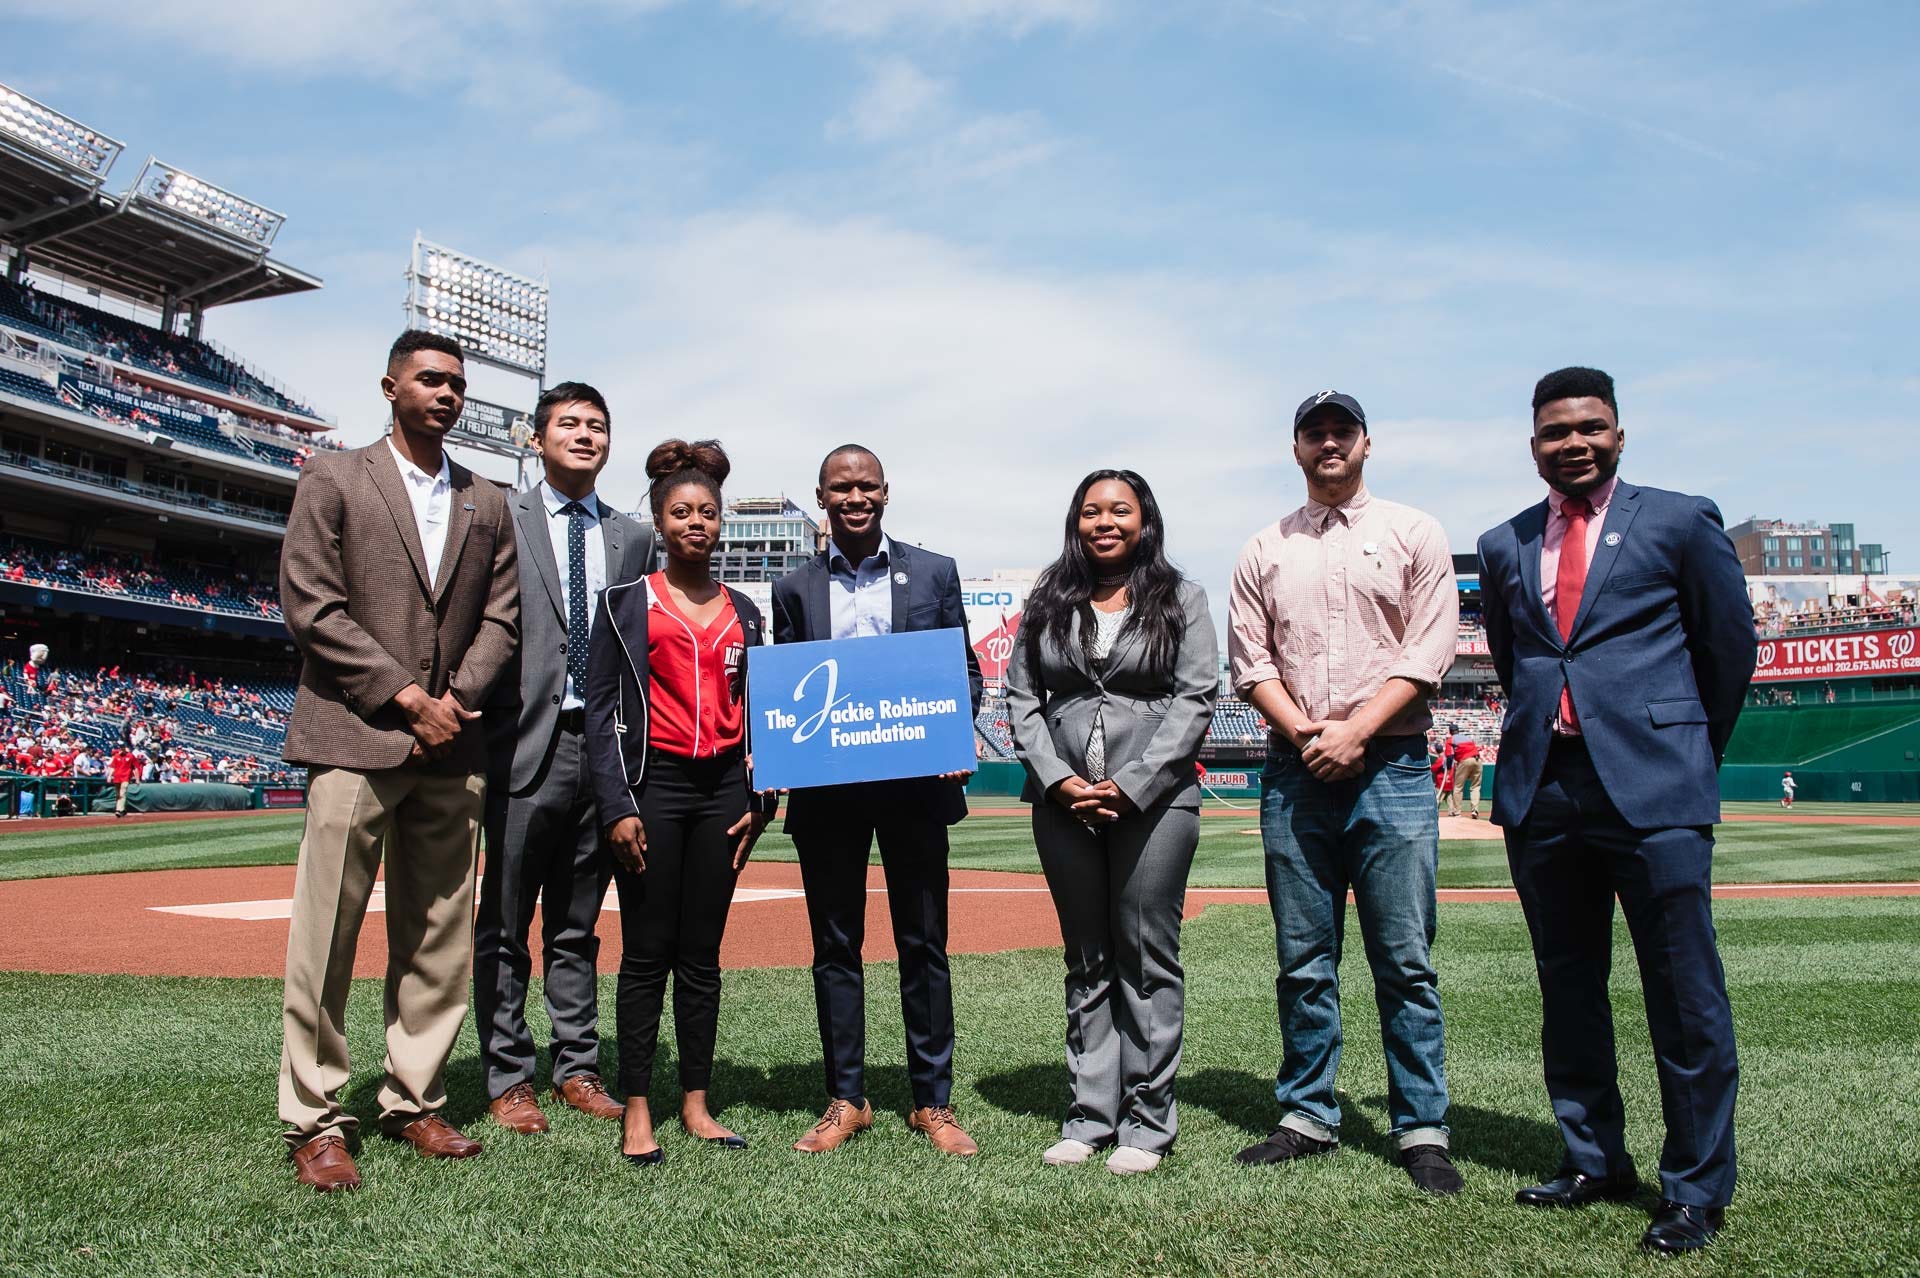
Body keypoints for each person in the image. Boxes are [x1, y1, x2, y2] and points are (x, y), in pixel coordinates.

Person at [1478, 366, 1754, 1255]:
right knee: (1568, 987)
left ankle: (1695, 1190)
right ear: (1533, 447)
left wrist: (1682, 751)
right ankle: (1595, 1160)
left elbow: (1728, 650)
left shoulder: (1679, 521)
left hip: (1655, 789)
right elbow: (1521, 655)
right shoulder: (1502, 542)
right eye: (1557, 431)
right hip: (1544, 788)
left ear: (1620, 435)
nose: (1575, 443)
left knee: (1683, 994)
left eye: (1590, 427)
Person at [275, 330, 519, 1193]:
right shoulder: (335, 477)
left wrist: (453, 703)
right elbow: (311, 603)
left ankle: (414, 1099)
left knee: (439, 937)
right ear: (390, 386)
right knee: (326, 937)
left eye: (457, 382)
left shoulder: (487, 500)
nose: (446, 393)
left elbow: (502, 619)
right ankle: (314, 1117)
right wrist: (405, 697)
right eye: (430, 379)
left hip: (453, 747)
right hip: (354, 736)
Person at [1226, 390, 1463, 1195]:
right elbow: (1250, 664)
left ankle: (1421, 1127)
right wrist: (1308, 735)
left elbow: (1429, 650)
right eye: (1313, 433)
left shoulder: (1415, 530)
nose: (1328, 443)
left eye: (1341, 431)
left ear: (1366, 442)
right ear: (1296, 448)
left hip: (1391, 763)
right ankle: (1307, 1115)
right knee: (1303, 960)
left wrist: (1357, 730)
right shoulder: (1265, 546)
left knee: (1404, 959)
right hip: (1296, 767)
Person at [770, 444, 984, 1156]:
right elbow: (790, 683)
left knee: (924, 943)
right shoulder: (795, 586)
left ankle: (933, 1101)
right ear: (823, 498)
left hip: (914, 789)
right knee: (836, 946)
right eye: (841, 488)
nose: (854, 496)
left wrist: (955, 730)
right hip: (830, 793)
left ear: (886, 492)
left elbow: (964, 672)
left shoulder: (934, 571)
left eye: (866, 486)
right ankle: (845, 1097)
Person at [1005, 469, 1217, 1176]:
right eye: (1091, 511)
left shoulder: (1181, 596)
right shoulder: (1048, 597)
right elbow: (1021, 697)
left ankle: (1148, 1123)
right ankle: (1090, 1114)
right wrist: (1059, 780)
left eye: (1119, 510)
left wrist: (1130, 786)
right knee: (1087, 957)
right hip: (1061, 804)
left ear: (1143, 519)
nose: (1105, 522)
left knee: (1146, 959)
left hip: (1154, 804)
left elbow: (1195, 698)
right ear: (1076, 521)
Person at [584, 439, 773, 1165]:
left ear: (721, 523)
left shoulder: (747, 610)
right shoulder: (626, 603)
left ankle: (696, 1102)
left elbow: (763, 712)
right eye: (681, 512)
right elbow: (600, 711)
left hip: (723, 790)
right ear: (659, 523)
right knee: (645, 954)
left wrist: (762, 799)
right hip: (652, 787)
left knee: (702, 955)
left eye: (708, 512)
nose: (696, 521)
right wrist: (616, 805)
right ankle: (638, 1108)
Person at [474, 381, 655, 1135]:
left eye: (597, 426)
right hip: (523, 743)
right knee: (507, 921)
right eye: (570, 424)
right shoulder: (499, 516)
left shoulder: (632, 536)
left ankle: (576, 1066)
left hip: (602, 748)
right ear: (537, 438)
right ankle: (508, 1075)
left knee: (577, 925)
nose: (585, 436)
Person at [1447, 724, 1483, 819]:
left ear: (1450, 731)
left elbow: (1449, 757)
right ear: (1458, 730)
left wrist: (1448, 768)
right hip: (1477, 760)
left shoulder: (1451, 739)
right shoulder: (1468, 738)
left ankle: (1457, 812)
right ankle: (1475, 810)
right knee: (1475, 787)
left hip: (1465, 760)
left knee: (1458, 787)